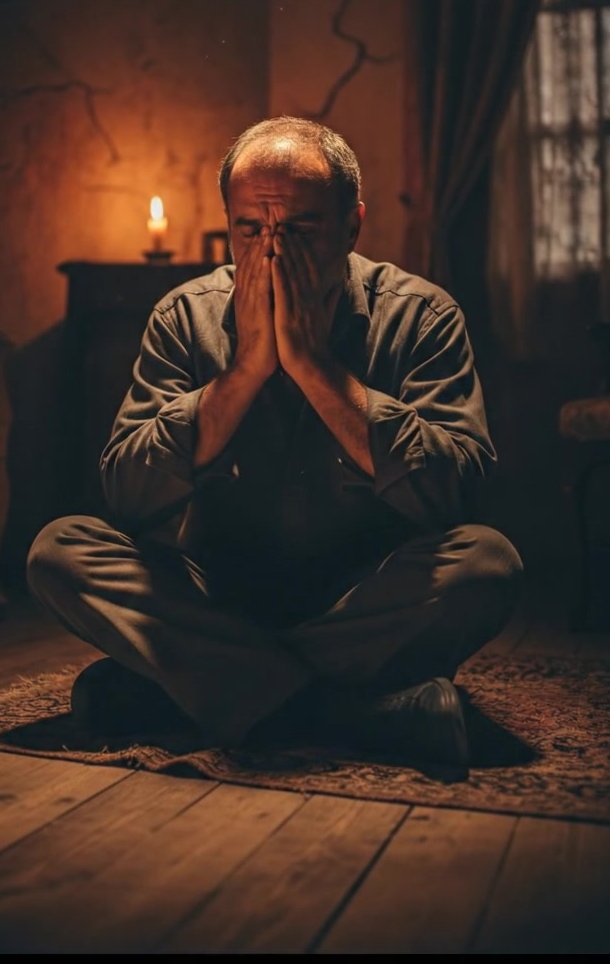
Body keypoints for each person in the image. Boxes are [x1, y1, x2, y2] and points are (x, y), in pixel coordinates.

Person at [28, 116, 523, 771]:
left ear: (352, 226)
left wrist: (316, 368)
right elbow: (127, 492)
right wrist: (245, 372)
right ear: (228, 224)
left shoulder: (420, 316)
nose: (270, 253)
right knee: (59, 552)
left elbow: (451, 494)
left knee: (488, 564)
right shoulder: (185, 317)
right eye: (250, 229)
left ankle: (202, 691)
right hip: (216, 595)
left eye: (299, 230)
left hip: (363, 599)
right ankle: (350, 713)